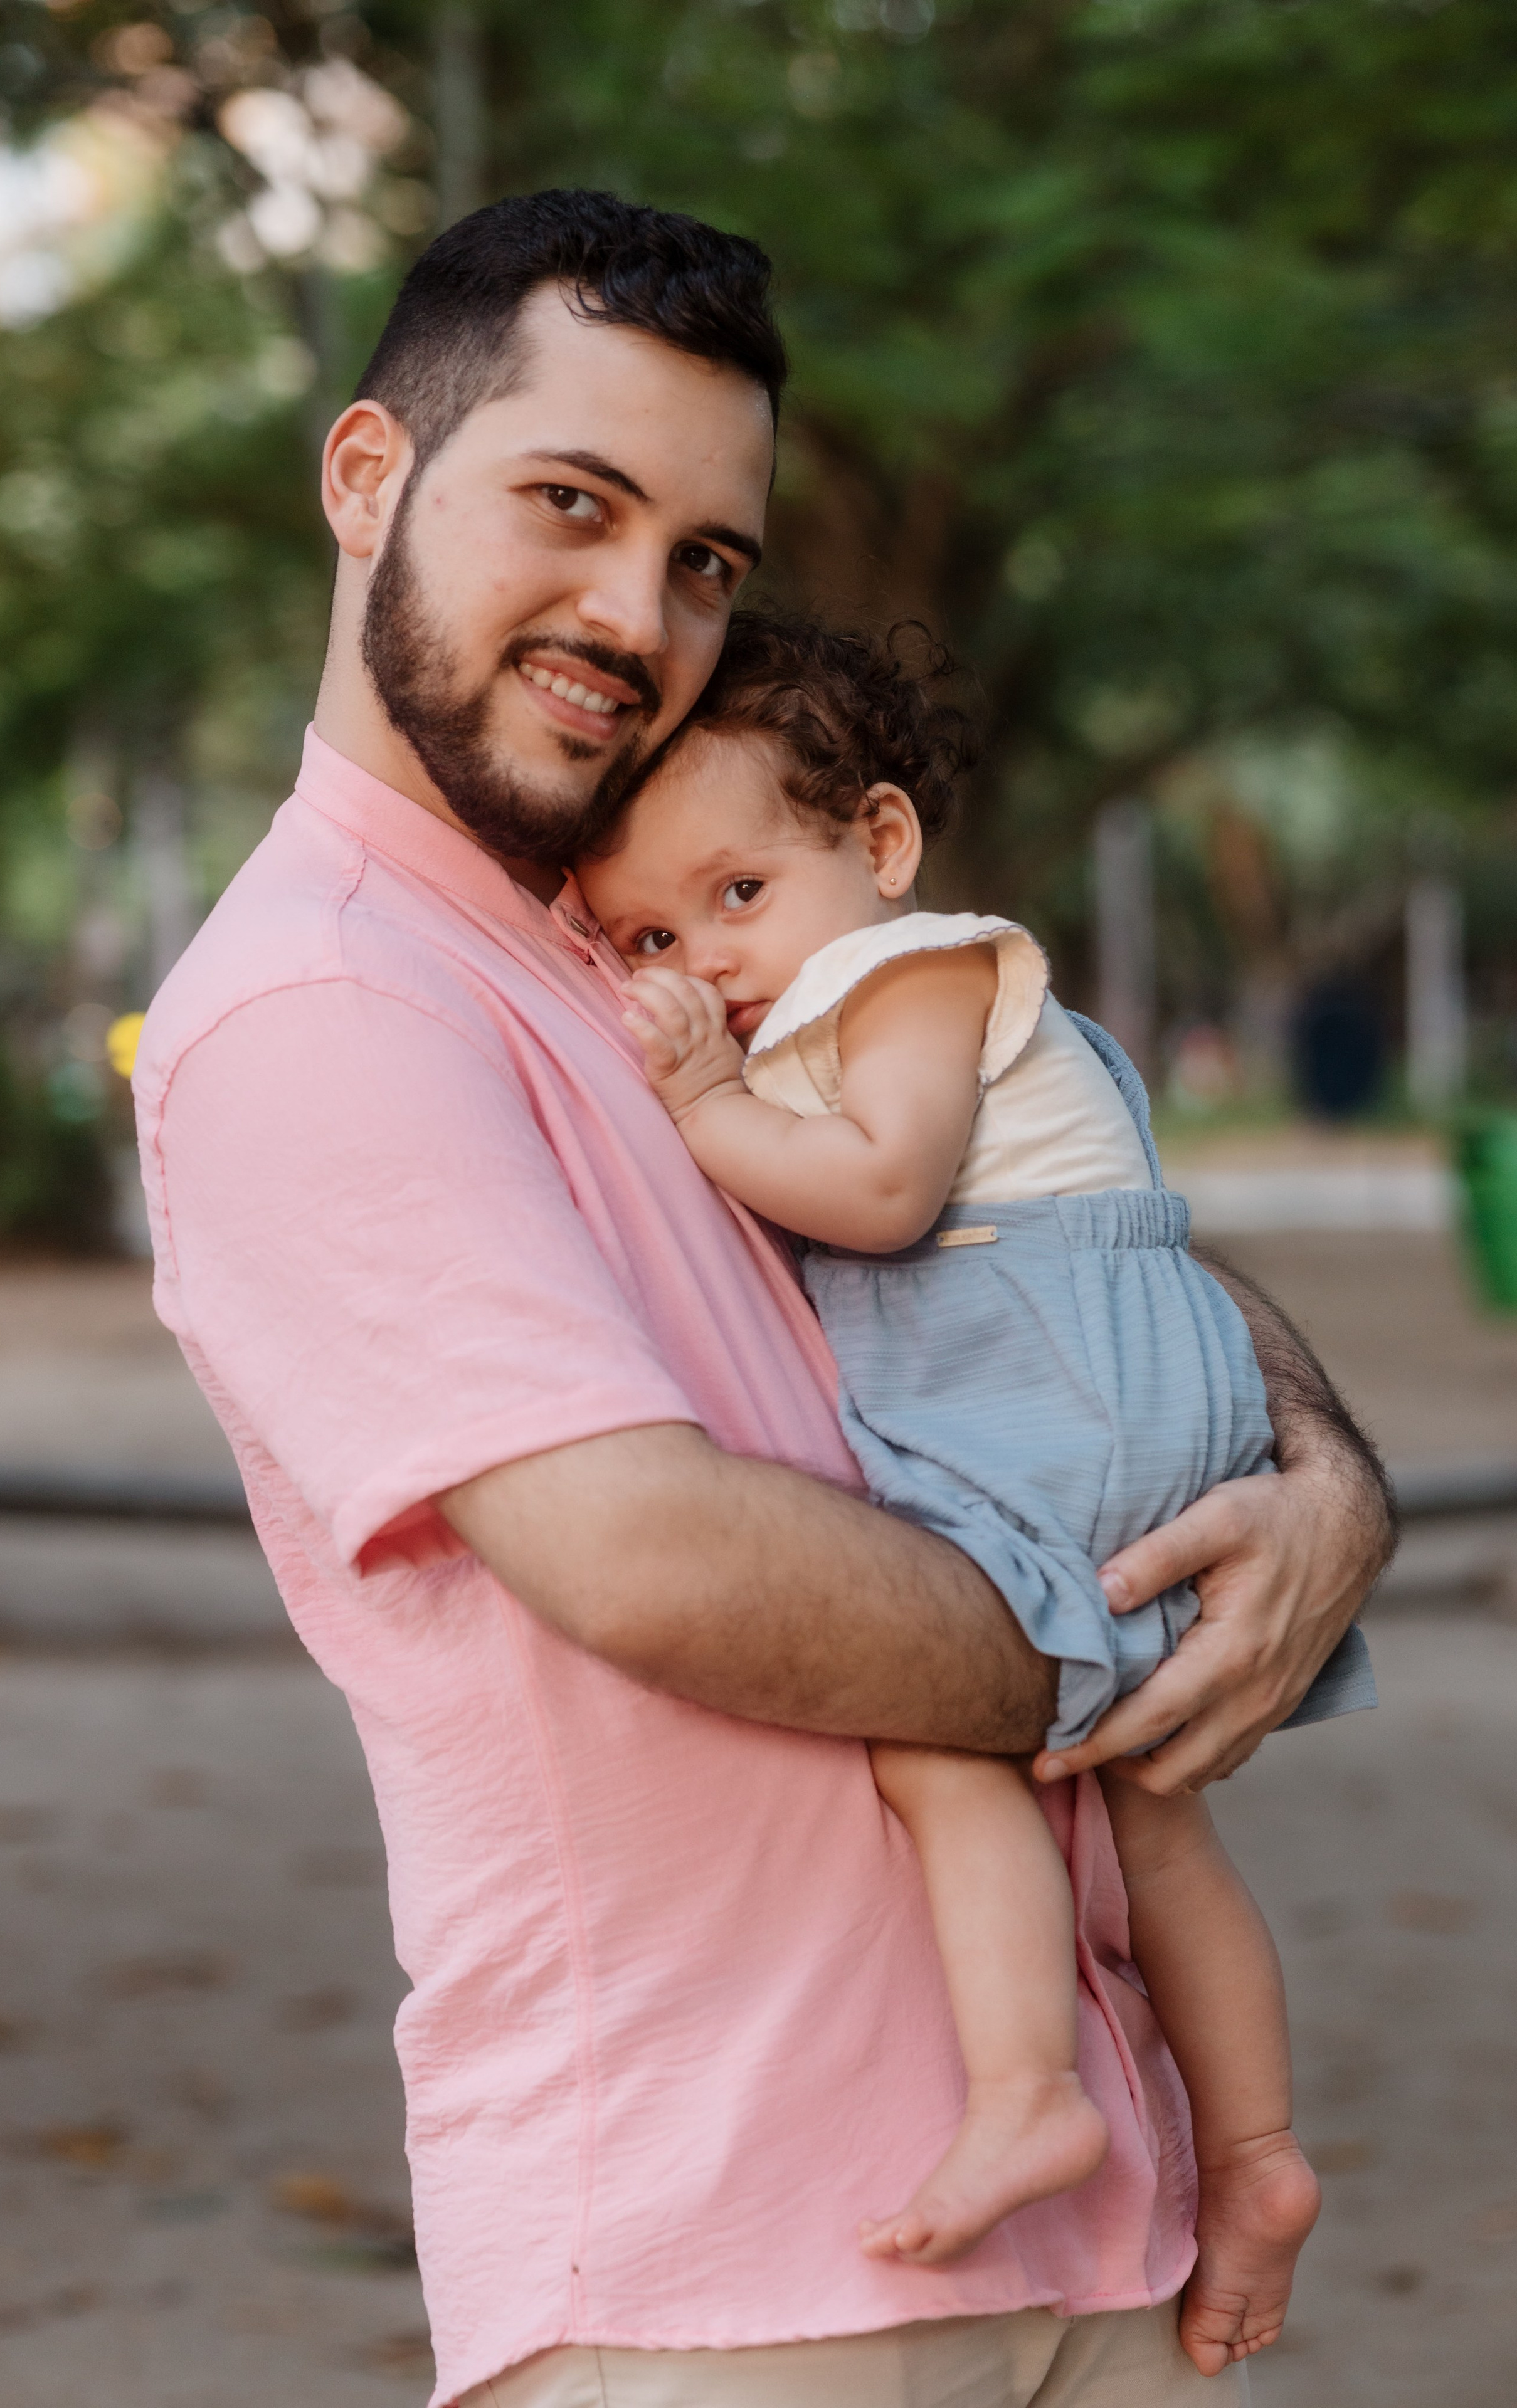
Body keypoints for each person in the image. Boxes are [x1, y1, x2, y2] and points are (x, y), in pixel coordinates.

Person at [133, 191, 1393, 2408]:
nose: (638, 612)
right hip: (725, 2270)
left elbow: (1070, 1224)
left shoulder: (682, 924)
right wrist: (1133, 1631)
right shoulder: (324, 1002)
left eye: (705, 555)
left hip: (1097, 2205)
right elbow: (651, 1556)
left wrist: (1319, 1480)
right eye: (571, 503)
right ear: (363, 479)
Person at [576, 611, 1378, 2374]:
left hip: (1054, 1360)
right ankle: (1251, 2154)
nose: (703, 956)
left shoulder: (913, 973)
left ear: (877, 842)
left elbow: (878, 1190)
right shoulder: (827, 990)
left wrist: (700, 1094)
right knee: (1152, 1807)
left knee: (935, 1729)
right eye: (646, 930)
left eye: (736, 894)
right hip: (1078, 1363)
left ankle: (1026, 2089)